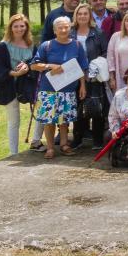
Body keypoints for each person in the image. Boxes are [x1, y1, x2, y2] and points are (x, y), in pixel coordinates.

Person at [29, 16, 89, 158]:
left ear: (70, 28)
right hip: (49, 90)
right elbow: (33, 65)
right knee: (49, 120)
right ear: (54, 30)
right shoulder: (47, 45)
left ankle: (64, 144)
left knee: (64, 120)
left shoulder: (77, 46)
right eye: (60, 28)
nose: (63, 30)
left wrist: (82, 86)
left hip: (68, 90)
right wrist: (49, 66)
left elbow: (82, 67)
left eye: (66, 27)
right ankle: (50, 148)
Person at [0, 14, 36, 155]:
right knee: (14, 121)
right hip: (9, 87)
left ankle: (36, 141)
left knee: (42, 113)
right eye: (16, 26)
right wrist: (15, 73)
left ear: (26, 27)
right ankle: (13, 153)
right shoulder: (3, 46)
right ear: (10, 27)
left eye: (22, 26)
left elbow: (36, 63)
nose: (19, 29)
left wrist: (28, 66)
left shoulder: (31, 45)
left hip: (28, 86)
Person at [70, 3, 110, 149]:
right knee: (78, 108)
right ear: (76, 16)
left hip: (94, 77)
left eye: (85, 14)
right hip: (74, 76)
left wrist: (94, 67)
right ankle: (77, 138)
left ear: (90, 16)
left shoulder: (97, 33)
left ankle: (97, 139)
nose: (82, 16)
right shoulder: (70, 33)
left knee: (96, 109)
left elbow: (105, 52)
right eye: (79, 14)